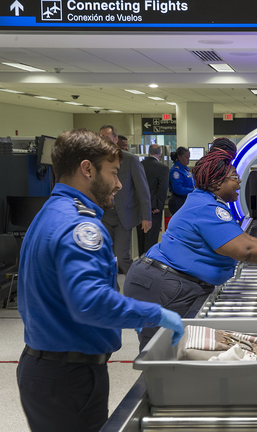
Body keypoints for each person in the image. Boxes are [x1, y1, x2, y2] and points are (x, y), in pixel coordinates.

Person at [15, 129, 184, 432]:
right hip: (70, 376)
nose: (119, 184)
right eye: (114, 172)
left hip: (45, 367)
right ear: (87, 169)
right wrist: (153, 313)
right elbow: (89, 302)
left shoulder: (49, 213)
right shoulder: (81, 228)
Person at [124, 138, 257, 350]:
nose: (240, 182)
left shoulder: (204, 201)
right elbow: (245, 249)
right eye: (234, 177)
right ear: (216, 183)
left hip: (166, 280)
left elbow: (244, 240)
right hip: (162, 284)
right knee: (162, 351)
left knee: (172, 348)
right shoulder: (206, 208)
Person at [99, 125, 151, 275]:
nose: (103, 141)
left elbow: (143, 189)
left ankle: (137, 283)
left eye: (106, 138)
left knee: (122, 256)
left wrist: (146, 216)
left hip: (124, 215)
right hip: (104, 214)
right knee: (106, 256)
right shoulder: (97, 160)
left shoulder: (130, 160)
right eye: (101, 137)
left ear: (115, 140)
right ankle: (113, 289)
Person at [137, 144, 170, 256]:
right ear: (160, 154)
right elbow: (162, 190)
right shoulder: (163, 168)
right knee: (151, 240)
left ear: (148, 153)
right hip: (153, 209)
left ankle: (140, 264)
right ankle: (149, 265)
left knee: (141, 239)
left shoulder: (139, 166)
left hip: (140, 209)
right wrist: (158, 207)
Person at [168, 146, 195, 215]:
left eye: (189, 157)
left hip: (186, 199)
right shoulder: (176, 171)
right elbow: (178, 188)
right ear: (179, 157)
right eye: (186, 157)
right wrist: (193, 190)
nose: (188, 160)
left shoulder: (185, 169)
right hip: (179, 200)